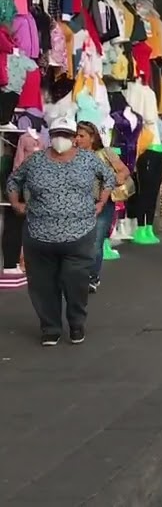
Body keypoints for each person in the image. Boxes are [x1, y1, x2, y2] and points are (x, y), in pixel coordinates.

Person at [7, 116, 115, 346]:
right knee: (42, 285)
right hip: (39, 234)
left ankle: (76, 323)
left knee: (76, 282)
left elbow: (109, 178)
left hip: (79, 234)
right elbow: (14, 180)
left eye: (65, 135)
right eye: (56, 134)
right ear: (50, 136)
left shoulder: (88, 159)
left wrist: (101, 202)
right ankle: (50, 328)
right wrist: (16, 204)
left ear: (74, 137)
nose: (60, 139)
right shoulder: (35, 161)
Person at [74, 122, 131, 293]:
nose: (77, 139)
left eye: (81, 136)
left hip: (103, 204)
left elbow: (124, 170)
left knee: (96, 241)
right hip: (78, 204)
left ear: (92, 138)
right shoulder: (72, 155)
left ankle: (92, 277)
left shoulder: (105, 153)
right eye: (76, 135)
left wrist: (117, 177)